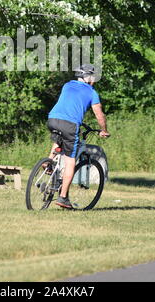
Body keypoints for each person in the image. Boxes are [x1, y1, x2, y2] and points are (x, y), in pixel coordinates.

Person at [47, 64, 110, 209]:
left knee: (59, 140)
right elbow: (99, 115)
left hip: (52, 119)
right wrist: (103, 130)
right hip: (70, 125)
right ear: (88, 77)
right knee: (70, 161)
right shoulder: (91, 92)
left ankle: (48, 162)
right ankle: (63, 198)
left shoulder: (67, 85)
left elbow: (70, 103)